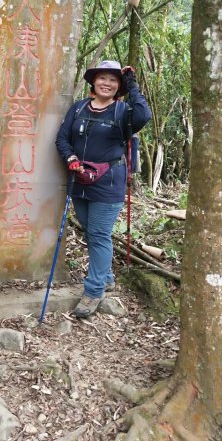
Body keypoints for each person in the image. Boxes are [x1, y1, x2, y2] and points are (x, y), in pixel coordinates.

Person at [55, 60, 151, 318]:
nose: (106, 83)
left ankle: (94, 291)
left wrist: (133, 85)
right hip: (79, 179)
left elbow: (144, 115)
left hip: (108, 183)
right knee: (90, 230)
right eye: (102, 78)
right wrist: (70, 158)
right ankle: (106, 276)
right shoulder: (78, 109)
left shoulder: (123, 111)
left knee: (98, 234)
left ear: (118, 86)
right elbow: (62, 138)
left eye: (113, 80)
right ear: (93, 82)